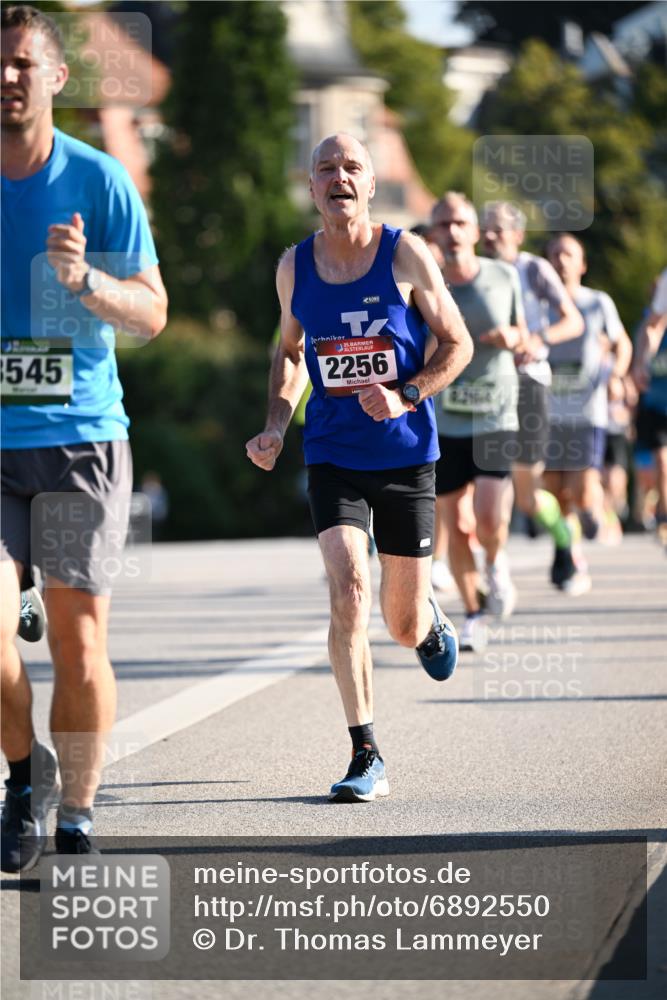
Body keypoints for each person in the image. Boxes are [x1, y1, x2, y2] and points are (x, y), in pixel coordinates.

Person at [246, 133, 472, 802]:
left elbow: (456, 344)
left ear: (370, 185)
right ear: (311, 187)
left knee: (400, 625)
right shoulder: (294, 268)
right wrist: (276, 425)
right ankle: (365, 751)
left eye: (351, 167)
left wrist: (404, 393)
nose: (337, 177)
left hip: (404, 454)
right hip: (332, 453)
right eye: (324, 168)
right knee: (346, 590)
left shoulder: (405, 253)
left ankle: (428, 620)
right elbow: (289, 354)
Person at [1, 5, 167, 870]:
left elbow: (154, 312)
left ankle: (74, 815)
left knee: (77, 642)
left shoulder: (99, 181)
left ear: (56, 78)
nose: (7, 77)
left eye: (23, 64)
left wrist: (86, 282)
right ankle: (23, 776)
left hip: (77, 442)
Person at [429, 193, 527, 651]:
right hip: (446, 419)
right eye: (443, 224)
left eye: (459, 222)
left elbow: (524, 334)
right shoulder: (424, 287)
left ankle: (496, 561)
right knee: (454, 522)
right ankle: (472, 613)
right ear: (433, 234)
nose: (451, 231)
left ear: (473, 231)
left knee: (488, 516)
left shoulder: (504, 275)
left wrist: (513, 337)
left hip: (496, 412)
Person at [480, 201, 585, 590]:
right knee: (485, 483)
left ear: (518, 236)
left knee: (527, 496)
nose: (489, 237)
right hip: (487, 387)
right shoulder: (475, 273)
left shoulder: (533, 269)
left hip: (528, 383)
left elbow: (572, 320)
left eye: (499, 230)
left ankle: (563, 538)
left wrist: (538, 339)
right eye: (485, 229)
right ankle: (493, 568)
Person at [544, 234, 631, 575]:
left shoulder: (598, 303)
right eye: (554, 254)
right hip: (546, 415)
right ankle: (568, 548)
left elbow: (622, 344)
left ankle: (593, 514)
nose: (560, 260)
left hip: (586, 413)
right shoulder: (536, 303)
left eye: (568, 254)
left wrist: (616, 376)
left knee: (580, 492)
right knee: (554, 493)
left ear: (582, 264)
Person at [631, 267, 667, 547]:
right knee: (661, 463)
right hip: (657, 400)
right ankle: (664, 517)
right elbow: (651, 327)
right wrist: (642, 362)